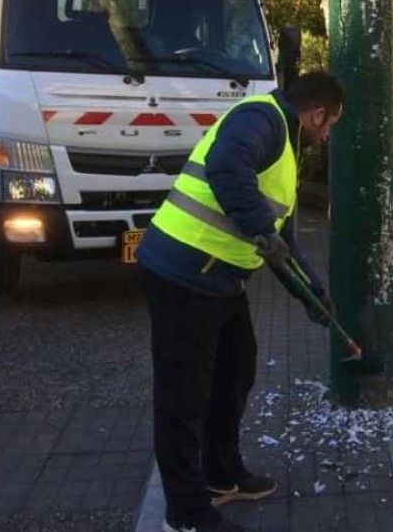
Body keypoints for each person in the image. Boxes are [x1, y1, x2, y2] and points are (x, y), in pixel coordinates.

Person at [136, 72, 344, 532]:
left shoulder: (283, 149)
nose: (327, 135)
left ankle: (220, 473)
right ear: (317, 113)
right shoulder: (261, 118)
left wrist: (311, 293)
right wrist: (261, 231)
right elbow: (227, 167)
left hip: (218, 281)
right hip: (182, 273)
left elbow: (281, 241)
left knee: (235, 371)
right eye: (329, 126)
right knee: (183, 397)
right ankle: (188, 514)